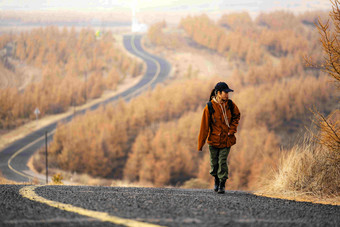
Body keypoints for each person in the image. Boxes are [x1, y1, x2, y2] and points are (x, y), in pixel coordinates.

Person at [198, 82, 240, 194]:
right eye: (225, 92)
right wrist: (200, 144)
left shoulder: (230, 105)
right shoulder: (209, 107)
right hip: (213, 141)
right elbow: (204, 127)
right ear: (218, 93)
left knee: (222, 162)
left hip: (227, 140)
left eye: (228, 92)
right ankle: (216, 179)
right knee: (214, 163)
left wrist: (232, 130)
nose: (227, 94)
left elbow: (237, 116)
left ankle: (222, 184)